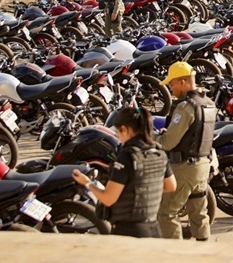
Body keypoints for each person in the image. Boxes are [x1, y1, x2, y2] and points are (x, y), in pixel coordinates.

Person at [71, 107, 177, 238]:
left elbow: (108, 199)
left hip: (129, 232)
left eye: (118, 132)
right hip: (154, 228)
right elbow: (171, 186)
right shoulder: (158, 152)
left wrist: (87, 183)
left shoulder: (127, 157)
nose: (119, 138)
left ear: (125, 129)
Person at [156, 62, 216, 241]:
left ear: (182, 82)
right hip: (203, 164)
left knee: (166, 213)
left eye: (172, 84)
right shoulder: (208, 103)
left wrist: (149, 138)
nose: (171, 88)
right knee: (198, 213)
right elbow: (195, 132)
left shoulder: (185, 107)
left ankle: (177, 255)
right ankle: (204, 249)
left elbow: (168, 143)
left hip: (184, 168)